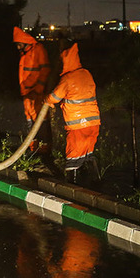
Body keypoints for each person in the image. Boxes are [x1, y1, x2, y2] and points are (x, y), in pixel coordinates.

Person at [44, 42, 100, 182]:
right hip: (94, 123)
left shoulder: (67, 79)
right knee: (88, 153)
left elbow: (54, 97)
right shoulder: (87, 74)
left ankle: (72, 186)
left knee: (73, 157)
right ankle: (95, 183)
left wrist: (47, 101)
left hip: (77, 126)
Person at [14, 26, 52, 154]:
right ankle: (33, 149)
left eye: (19, 44)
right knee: (30, 121)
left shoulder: (38, 50)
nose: (18, 47)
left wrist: (38, 89)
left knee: (40, 121)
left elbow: (45, 70)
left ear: (24, 42)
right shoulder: (26, 53)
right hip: (27, 94)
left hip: (36, 94)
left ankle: (43, 150)